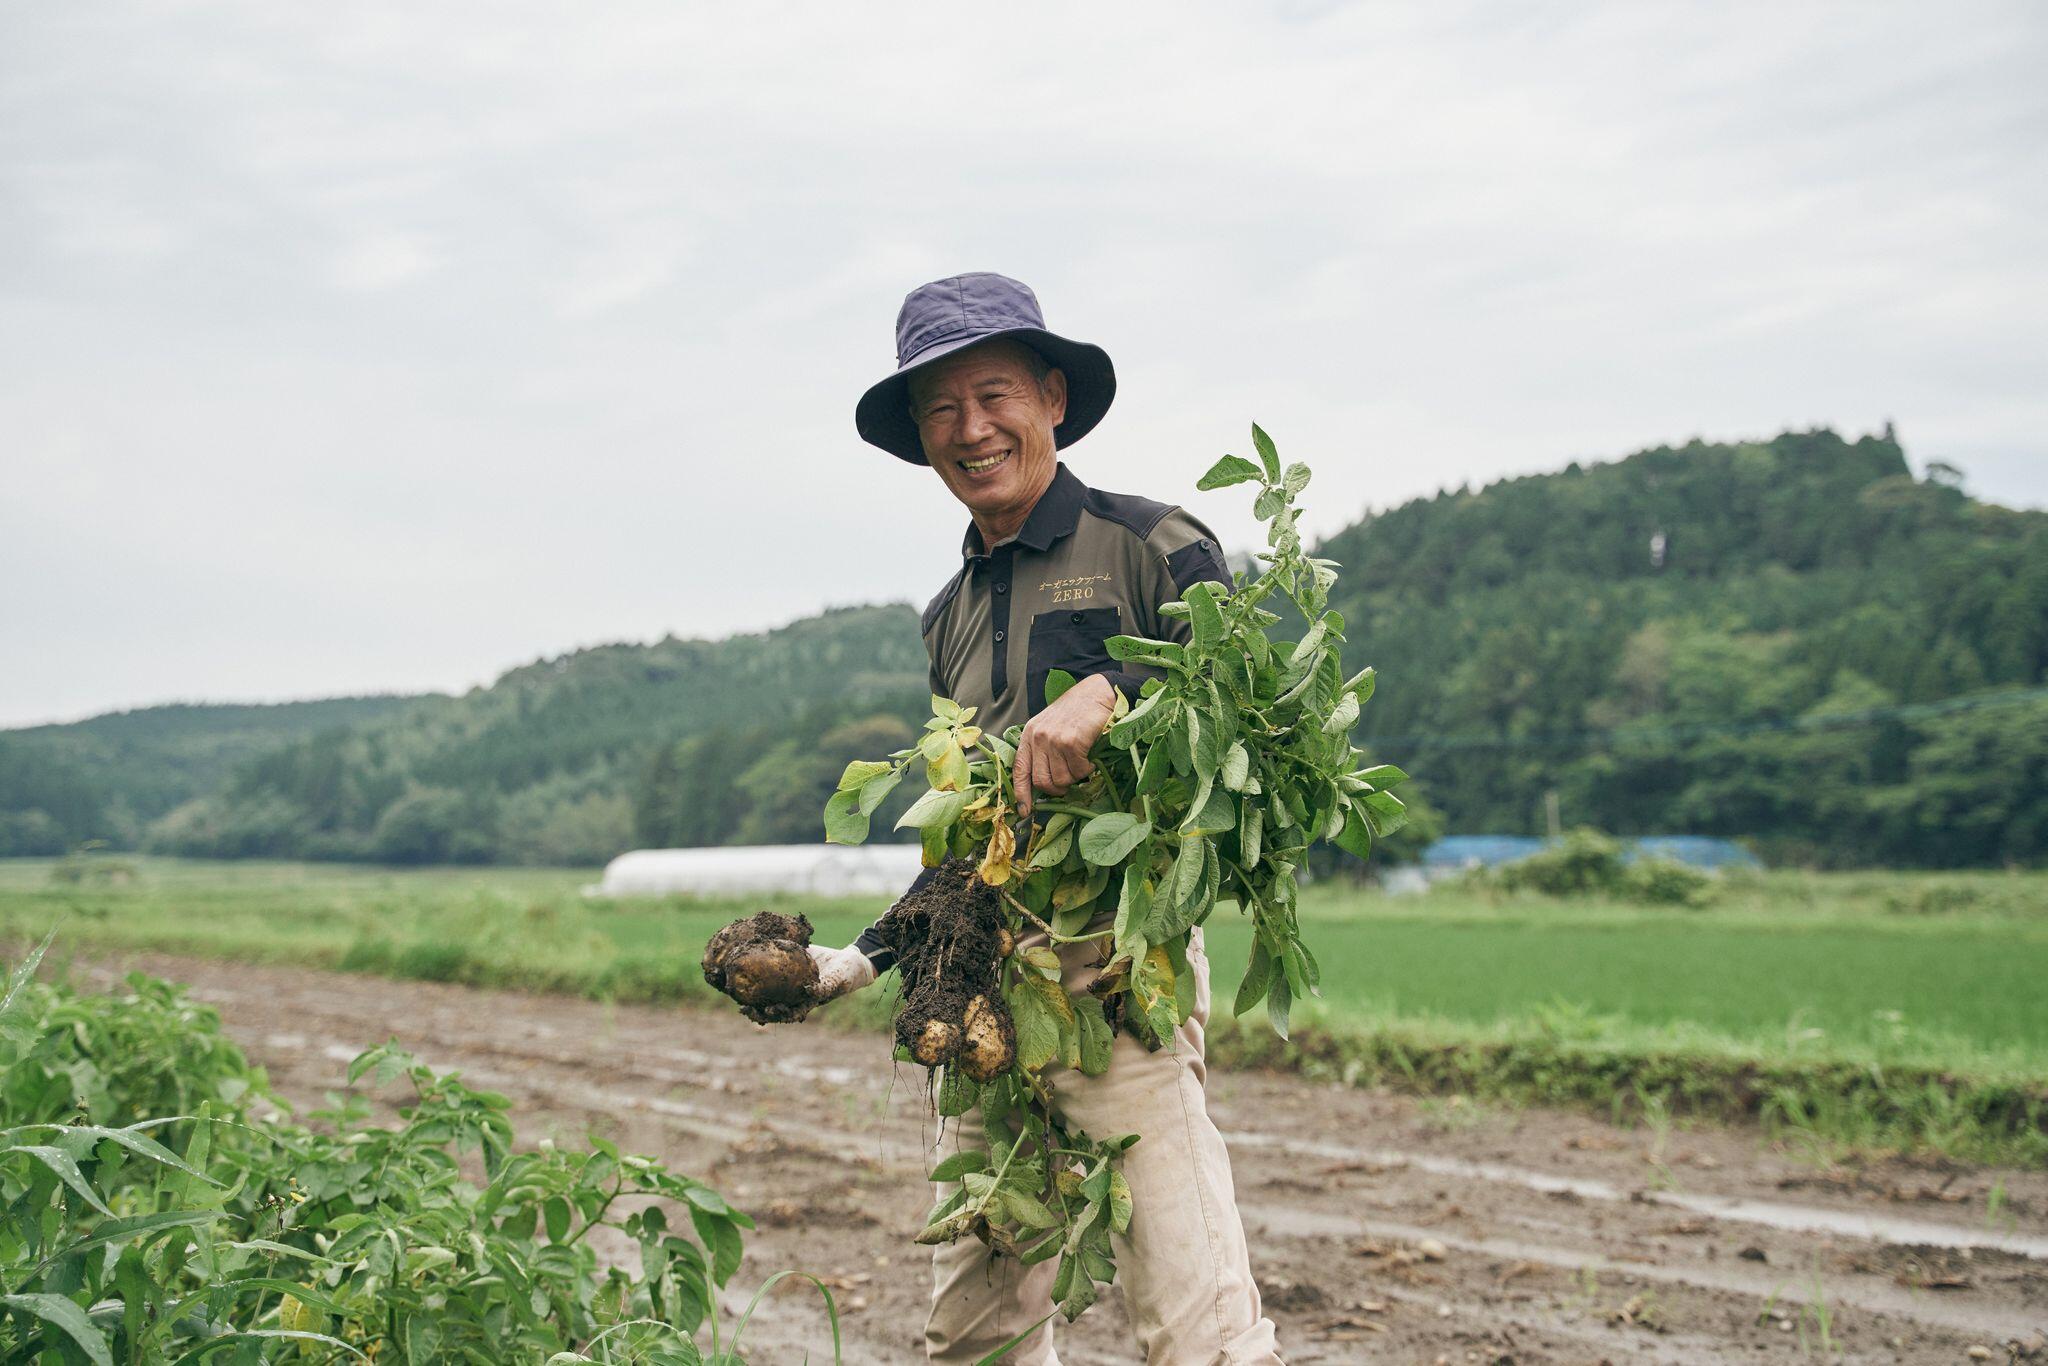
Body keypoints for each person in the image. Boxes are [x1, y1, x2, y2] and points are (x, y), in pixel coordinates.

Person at [803, 272, 1285, 1365]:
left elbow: (1250, 710)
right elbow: (974, 841)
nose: (970, 430)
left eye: (993, 394)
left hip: (1118, 984)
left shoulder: (1152, 544)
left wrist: (1114, 690)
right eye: (940, 409)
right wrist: (862, 960)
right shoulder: (949, 615)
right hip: (975, 998)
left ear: (1053, 397)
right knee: (974, 1331)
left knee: (1193, 1315)